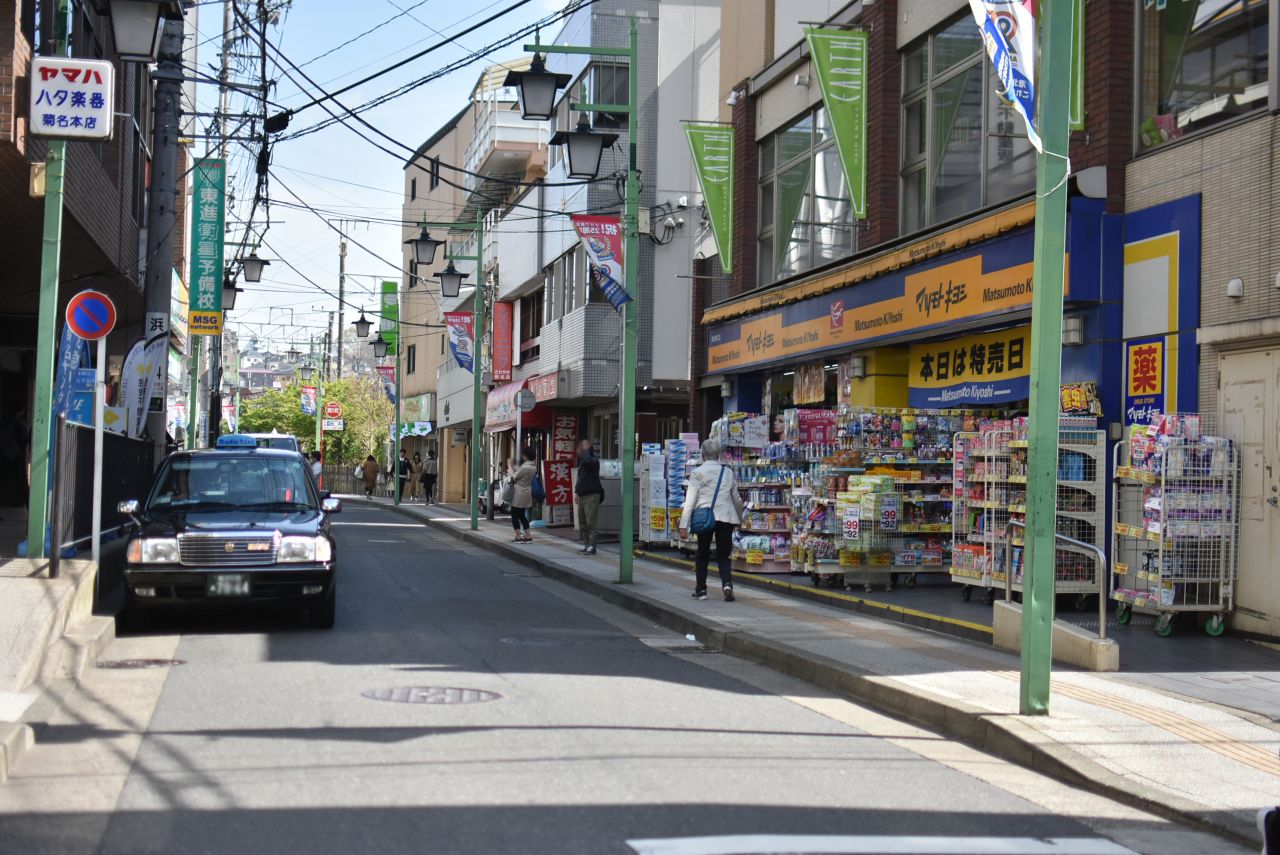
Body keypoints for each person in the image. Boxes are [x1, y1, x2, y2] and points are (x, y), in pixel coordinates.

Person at [678, 438, 744, 602]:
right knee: (723, 554)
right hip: (725, 517)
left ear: (703, 454)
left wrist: (683, 525)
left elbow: (690, 501)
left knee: (703, 553)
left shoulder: (697, 473)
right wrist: (739, 518)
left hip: (704, 516)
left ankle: (701, 590)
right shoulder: (727, 472)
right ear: (719, 455)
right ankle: (727, 584)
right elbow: (736, 499)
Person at [575, 439, 604, 555]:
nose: (578, 452)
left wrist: (585, 449)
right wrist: (577, 493)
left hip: (592, 495)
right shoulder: (583, 462)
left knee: (590, 522)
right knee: (582, 522)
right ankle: (587, 544)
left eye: (580, 449)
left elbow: (588, 461)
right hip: (582, 495)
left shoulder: (592, 461)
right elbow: (581, 479)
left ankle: (592, 546)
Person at [509, 448, 538, 543]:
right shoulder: (534, 467)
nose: (522, 456)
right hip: (527, 491)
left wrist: (510, 467)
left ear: (526, 456)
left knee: (514, 514)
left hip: (519, 492)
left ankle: (518, 536)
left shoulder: (525, 467)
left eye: (523, 455)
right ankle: (528, 535)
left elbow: (514, 477)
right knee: (522, 515)